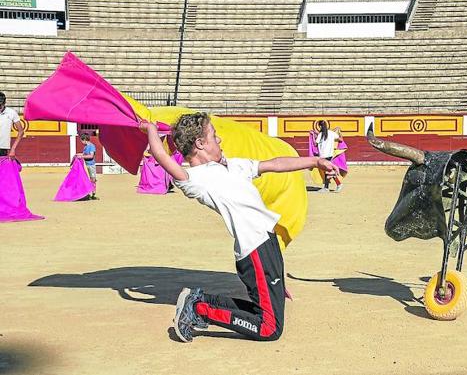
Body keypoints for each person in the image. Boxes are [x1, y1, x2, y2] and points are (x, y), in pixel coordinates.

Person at [140, 112, 339, 342]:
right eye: (214, 136)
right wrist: (152, 130)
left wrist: (315, 161)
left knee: (266, 315)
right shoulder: (194, 180)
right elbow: (160, 154)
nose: (220, 140)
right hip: (254, 250)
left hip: (268, 242)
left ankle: (199, 301)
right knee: (269, 328)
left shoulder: (232, 166)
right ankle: (198, 309)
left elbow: (275, 164)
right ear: (200, 143)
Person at [315, 120, 343, 192]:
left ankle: (338, 185)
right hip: (329, 155)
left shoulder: (320, 135)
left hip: (323, 155)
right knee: (327, 171)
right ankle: (327, 187)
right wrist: (339, 133)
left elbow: (315, 144)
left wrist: (314, 136)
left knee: (329, 171)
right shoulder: (331, 133)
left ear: (320, 126)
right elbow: (340, 139)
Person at [0, 91, 25, 159]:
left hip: (3, 148)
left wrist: (13, 148)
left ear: (4, 103)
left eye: (0, 105)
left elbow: (21, 131)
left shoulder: (11, 112)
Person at [76, 132, 98, 200]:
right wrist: (78, 155)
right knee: (86, 179)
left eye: (82, 140)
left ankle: (93, 194)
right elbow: (84, 154)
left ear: (85, 139)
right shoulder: (85, 147)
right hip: (86, 165)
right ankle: (87, 194)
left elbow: (91, 156)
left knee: (93, 180)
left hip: (91, 165)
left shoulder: (92, 146)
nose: (81, 142)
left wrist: (81, 156)